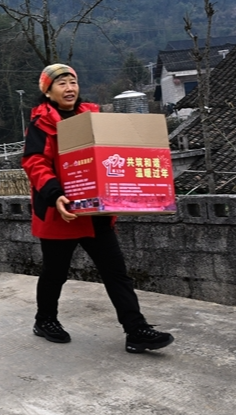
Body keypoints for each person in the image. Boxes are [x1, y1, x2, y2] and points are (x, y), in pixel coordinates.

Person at [21, 63, 174, 354]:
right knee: (55, 272)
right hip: (61, 212)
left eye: (73, 82)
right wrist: (55, 195)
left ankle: (136, 330)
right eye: (62, 83)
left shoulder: (92, 118)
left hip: (95, 212)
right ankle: (45, 320)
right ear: (48, 91)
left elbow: (114, 150)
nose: (69, 88)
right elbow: (35, 164)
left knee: (116, 272)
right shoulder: (41, 124)